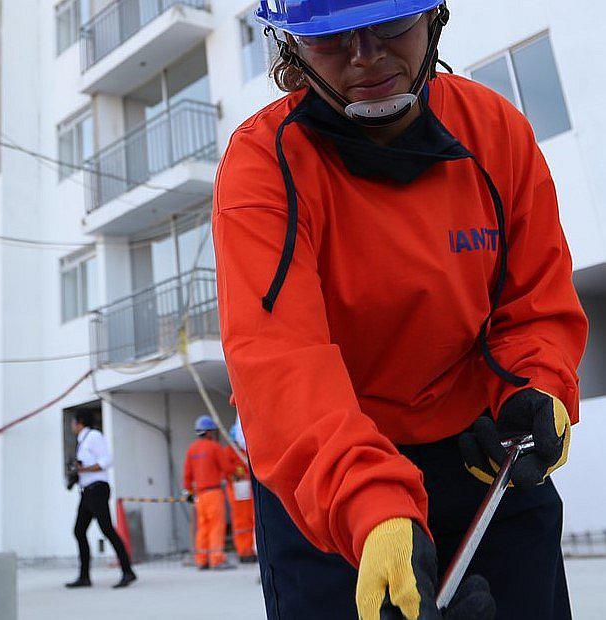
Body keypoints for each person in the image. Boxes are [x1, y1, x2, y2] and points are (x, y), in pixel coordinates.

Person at [215, 1, 588, 618]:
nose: (367, 57)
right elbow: (280, 361)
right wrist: (368, 504)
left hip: (482, 457)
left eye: (390, 25)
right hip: (330, 481)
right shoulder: (263, 165)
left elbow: (534, 302)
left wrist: (537, 383)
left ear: (433, 18)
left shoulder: (496, 133)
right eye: (332, 39)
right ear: (292, 49)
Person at [65, 410, 136, 589]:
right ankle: (84, 576)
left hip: (97, 489)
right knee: (79, 530)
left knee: (107, 530)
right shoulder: (82, 442)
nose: (72, 426)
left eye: (73, 422)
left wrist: (83, 470)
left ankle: (128, 571)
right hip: (86, 491)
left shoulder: (94, 436)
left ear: (79, 422)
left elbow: (106, 460)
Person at [183, 416, 235, 570]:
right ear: (210, 431)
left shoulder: (192, 449)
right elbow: (226, 468)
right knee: (216, 526)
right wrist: (237, 474)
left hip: (199, 495)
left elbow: (187, 475)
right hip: (214, 493)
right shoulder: (215, 447)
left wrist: (188, 492)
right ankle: (217, 559)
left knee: (203, 527)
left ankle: (202, 559)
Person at [224, 419, 256, 563]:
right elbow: (227, 470)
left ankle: (250, 549)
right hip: (237, 489)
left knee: (250, 519)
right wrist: (236, 475)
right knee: (241, 521)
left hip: (246, 489)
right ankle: (244, 551)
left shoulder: (244, 450)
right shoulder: (229, 452)